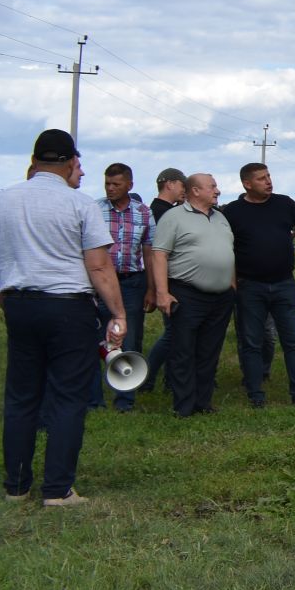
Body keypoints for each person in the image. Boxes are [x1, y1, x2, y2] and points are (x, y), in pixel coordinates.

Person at [0, 129, 128, 506]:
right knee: (67, 397)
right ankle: (58, 489)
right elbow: (98, 266)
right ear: (68, 164)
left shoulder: (0, 203)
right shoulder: (80, 205)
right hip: (68, 306)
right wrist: (117, 312)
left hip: (19, 302)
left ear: (34, 162)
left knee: (21, 396)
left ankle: (16, 486)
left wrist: (7, 302)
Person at [222, 164, 295, 407]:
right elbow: (224, 248)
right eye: (262, 179)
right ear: (247, 184)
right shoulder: (233, 212)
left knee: (293, 341)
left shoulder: (283, 203)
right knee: (252, 342)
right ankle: (256, 395)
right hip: (250, 286)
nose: (269, 181)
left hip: (284, 284)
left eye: (269, 176)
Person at [151, 174, 236, 417]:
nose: (217, 190)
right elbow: (159, 255)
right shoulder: (174, 217)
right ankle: (184, 406)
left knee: (209, 351)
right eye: (212, 187)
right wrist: (162, 293)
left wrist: (231, 285)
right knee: (183, 350)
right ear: (195, 191)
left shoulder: (220, 218)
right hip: (187, 293)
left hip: (220, 297)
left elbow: (227, 252)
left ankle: (203, 402)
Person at [94, 162, 154, 411]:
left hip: (131, 282)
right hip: (99, 282)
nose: (110, 188)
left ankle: (125, 399)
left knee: (128, 338)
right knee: (97, 340)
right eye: (107, 183)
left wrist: (152, 288)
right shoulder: (95, 210)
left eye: (116, 184)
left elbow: (150, 252)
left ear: (130, 185)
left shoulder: (143, 212)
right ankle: (93, 400)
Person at [137, 166, 186, 395]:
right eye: (181, 185)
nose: (184, 190)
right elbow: (156, 252)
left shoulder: (163, 209)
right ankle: (147, 377)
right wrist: (157, 288)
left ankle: (169, 379)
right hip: (166, 280)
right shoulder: (160, 212)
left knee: (175, 334)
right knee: (172, 334)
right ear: (170, 184)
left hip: (168, 279)